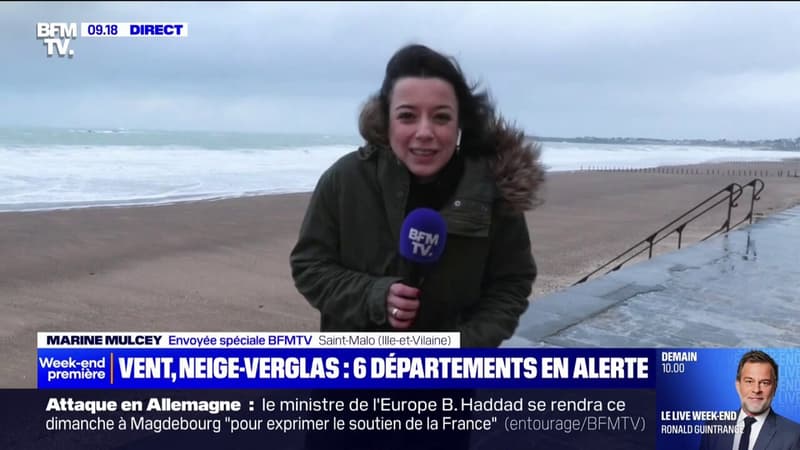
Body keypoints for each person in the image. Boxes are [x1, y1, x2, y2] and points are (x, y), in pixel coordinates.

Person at [290, 43, 544, 347]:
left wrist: (463, 346)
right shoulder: (344, 181)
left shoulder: (490, 190)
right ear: (387, 120)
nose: (425, 132)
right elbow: (310, 267)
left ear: (460, 121)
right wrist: (375, 296)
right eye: (408, 116)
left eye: (441, 117)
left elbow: (511, 283)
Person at [699, 350, 800, 450]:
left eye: (764, 383)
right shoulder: (714, 425)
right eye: (749, 381)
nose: (756, 390)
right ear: (738, 386)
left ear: (774, 388)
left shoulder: (794, 435)